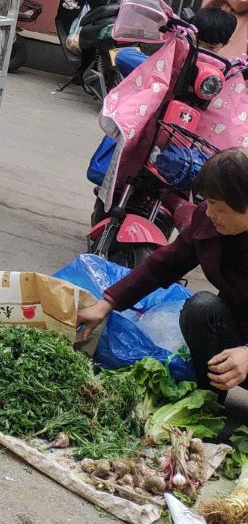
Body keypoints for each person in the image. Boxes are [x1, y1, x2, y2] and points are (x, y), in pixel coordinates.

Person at [76, 149, 248, 410]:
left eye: (220, 208)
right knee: (201, 308)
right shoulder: (208, 220)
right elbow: (163, 264)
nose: (210, 213)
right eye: (209, 202)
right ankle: (208, 404)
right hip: (235, 332)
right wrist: (107, 302)